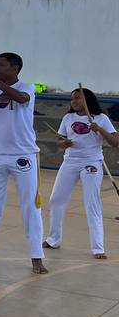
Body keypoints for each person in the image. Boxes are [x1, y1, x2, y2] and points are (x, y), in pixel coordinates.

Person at [0, 52, 48, 275]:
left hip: (24, 155)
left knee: (30, 206)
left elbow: (19, 99)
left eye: (1, 65)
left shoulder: (27, 88)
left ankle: (36, 255)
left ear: (15, 67)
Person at [46, 86, 117, 259]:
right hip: (69, 161)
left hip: (91, 162)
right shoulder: (68, 117)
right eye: (72, 99)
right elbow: (59, 140)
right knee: (56, 199)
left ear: (87, 100)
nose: (74, 101)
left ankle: (98, 247)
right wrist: (64, 143)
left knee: (92, 202)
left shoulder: (101, 118)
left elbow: (115, 142)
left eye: (77, 98)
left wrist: (99, 129)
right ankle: (53, 239)